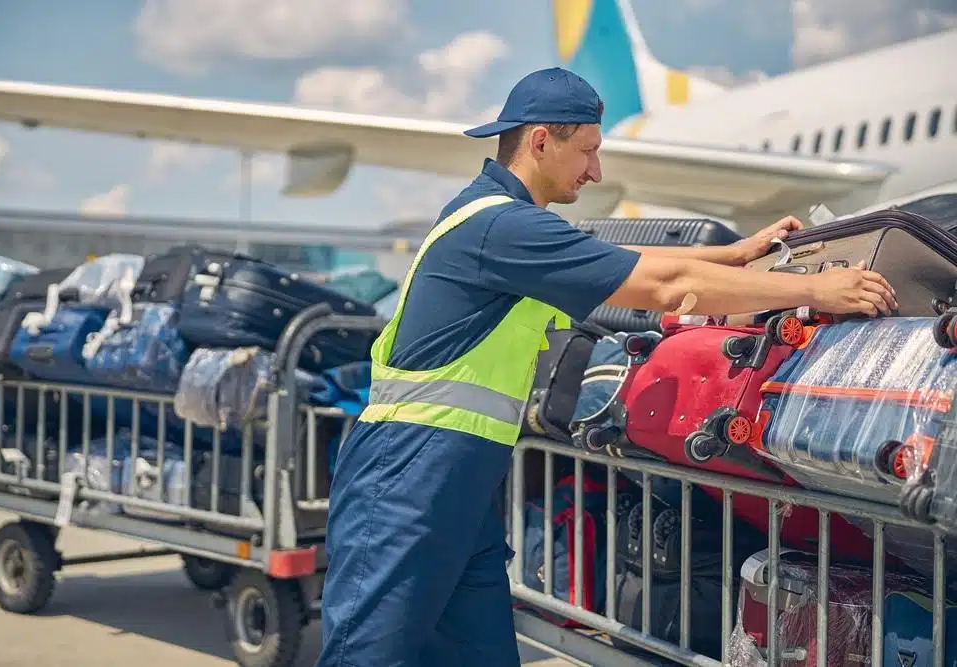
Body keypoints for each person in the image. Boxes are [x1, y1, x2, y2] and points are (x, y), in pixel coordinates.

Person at [316, 67, 897, 667]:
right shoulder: (501, 226)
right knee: (366, 655)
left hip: (455, 481)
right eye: (588, 151)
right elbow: (665, 286)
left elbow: (627, 261)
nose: (595, 171)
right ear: (541, 141)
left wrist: (737, 253)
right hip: (407, 473)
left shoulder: (503, 221)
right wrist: (821, 290)